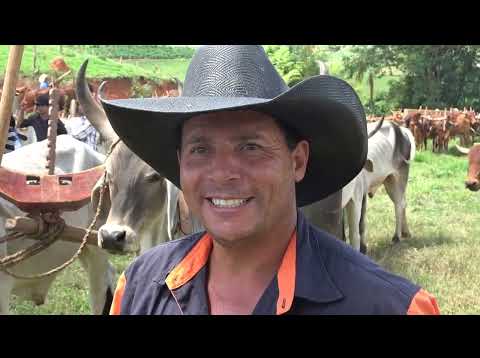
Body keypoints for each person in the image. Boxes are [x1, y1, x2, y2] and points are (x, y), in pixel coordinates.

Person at [102, 45, 440, 315]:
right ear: (180, 164)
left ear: (297, 161)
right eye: (200, 149)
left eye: (250, 147)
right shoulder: (138, 290)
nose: (222, 173)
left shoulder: (392, 307)